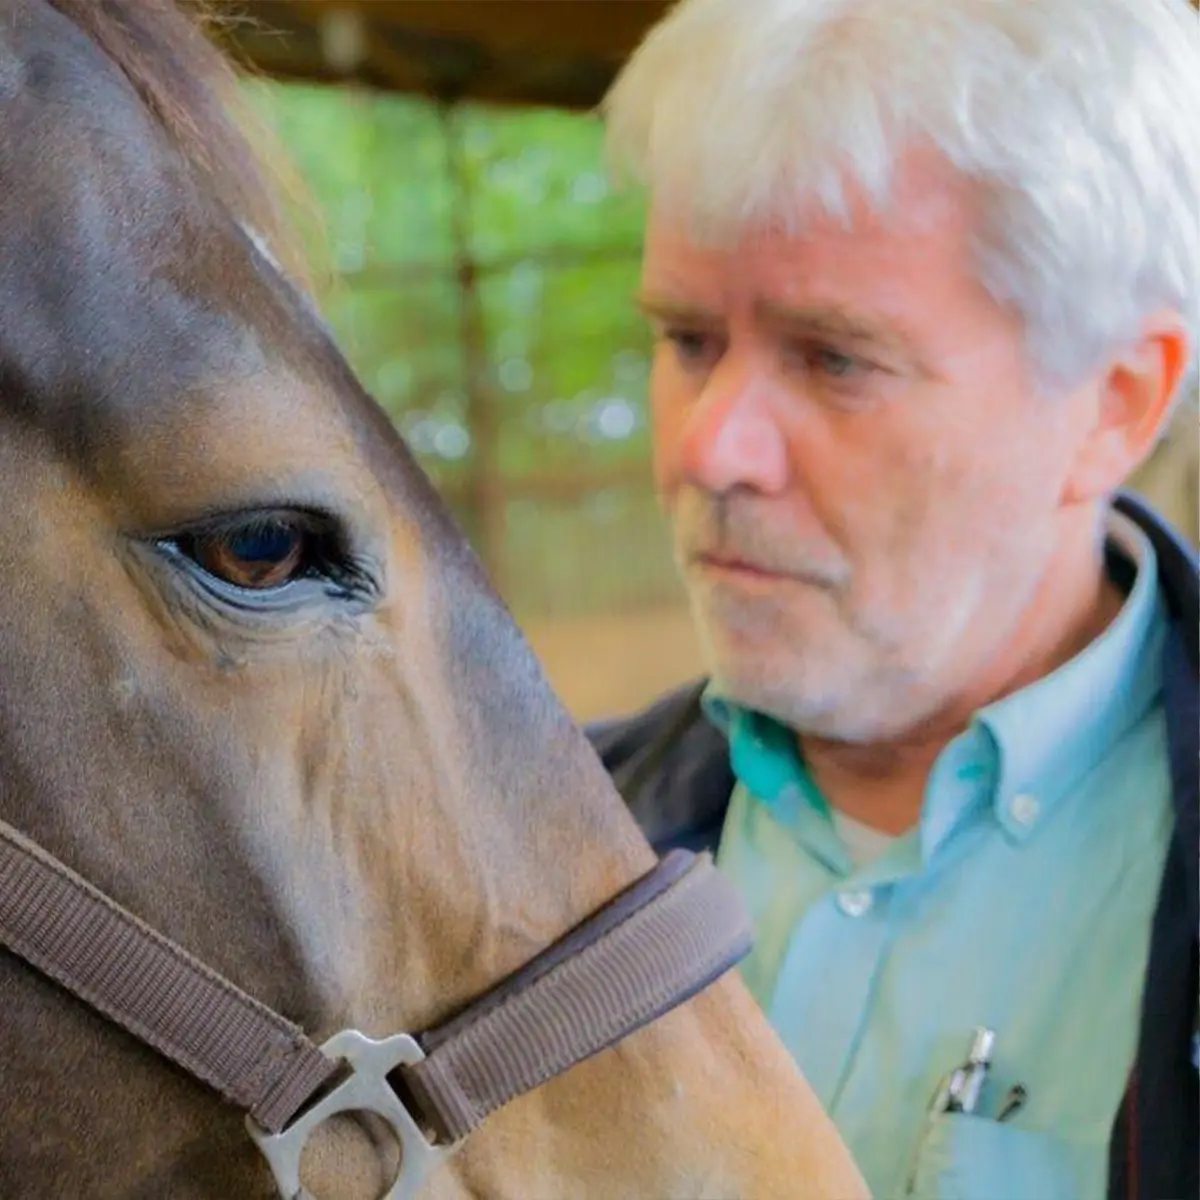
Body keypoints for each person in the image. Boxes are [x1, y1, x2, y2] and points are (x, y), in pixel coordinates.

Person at [589, 1, 1200, 1196]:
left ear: (1115, 402)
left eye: (834, 358)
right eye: (688, 339)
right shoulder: (539, 844)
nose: (714, 451)